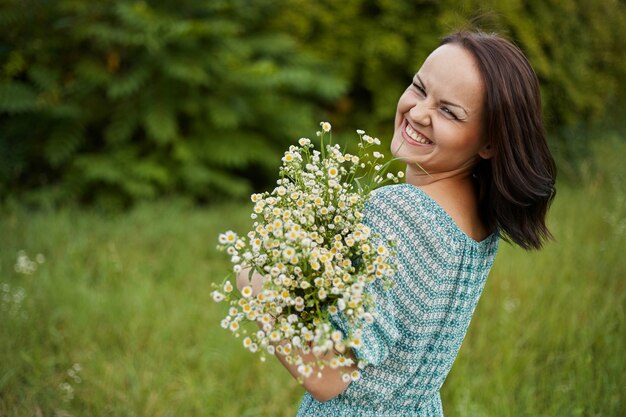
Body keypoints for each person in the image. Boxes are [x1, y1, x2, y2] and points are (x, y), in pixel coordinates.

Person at [238, 30, 556, 416]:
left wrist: (255, 281)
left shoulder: (400, 212)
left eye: (449, 112)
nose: (419, 112)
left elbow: (328, 376)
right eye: (419, 88)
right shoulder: (480, 220)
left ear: (489, 143)